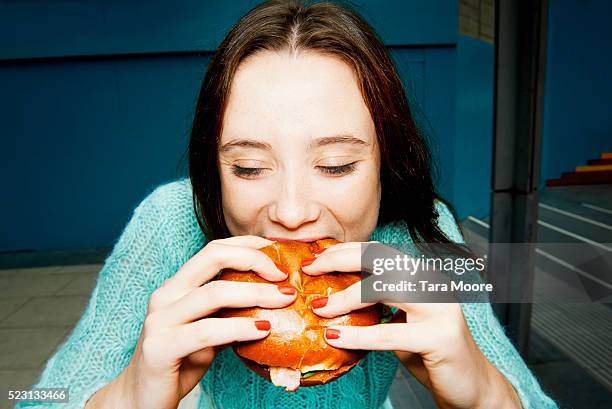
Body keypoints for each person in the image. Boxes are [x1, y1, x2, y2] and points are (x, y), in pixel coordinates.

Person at [17, 1, 558, 408]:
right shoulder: (171, 220)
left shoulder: (422, 227)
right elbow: (35, 396)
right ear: (215, 168)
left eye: (337, 165)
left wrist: (484, 392)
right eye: (249, 168)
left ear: (386, 163)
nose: (292, 212)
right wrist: (132, 393)